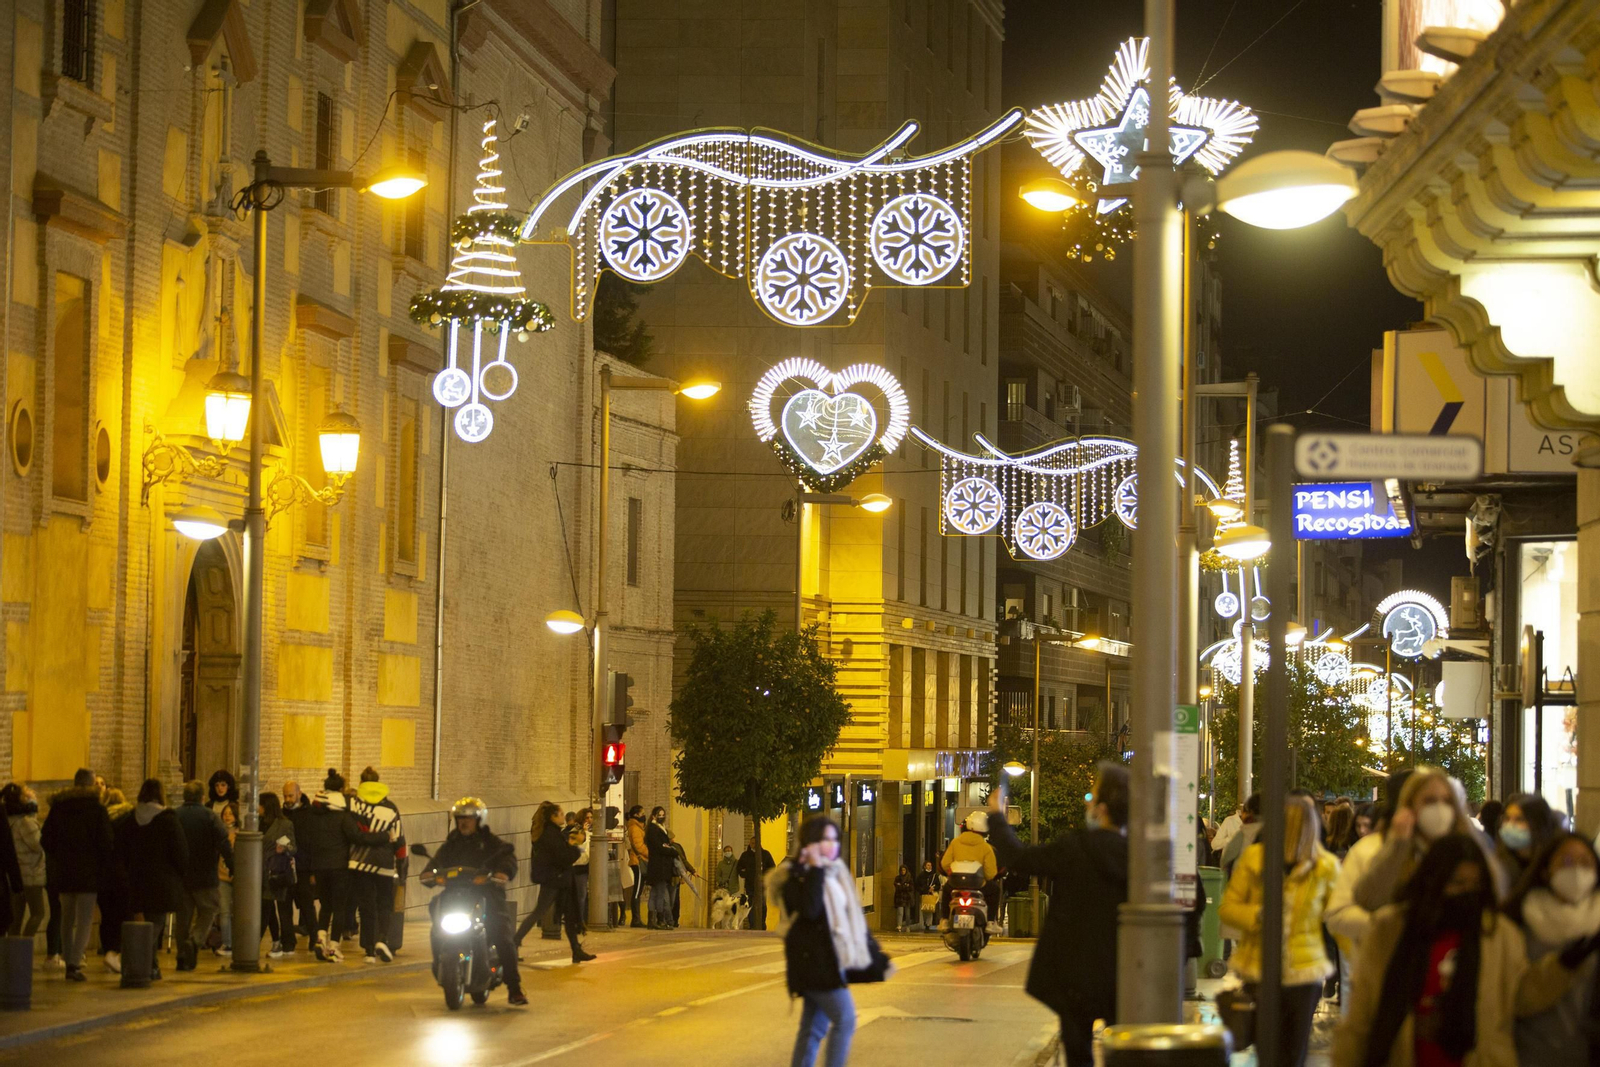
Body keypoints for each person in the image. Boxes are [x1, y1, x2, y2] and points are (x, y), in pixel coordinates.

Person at [1332, 833, 1593, 1067]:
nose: (1466, 894)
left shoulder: (1498, 934)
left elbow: (1520, 996)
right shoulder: (1391, 930)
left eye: (1474, 884)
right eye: (1457, 883)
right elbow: (1361, 1015)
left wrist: (1561, 966)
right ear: (1433, 881)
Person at [988, 762, 1128, 1067]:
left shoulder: (1076, 847)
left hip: (1074, 971)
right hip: (1123, 971)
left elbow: (1020, 857)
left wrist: (998, 817)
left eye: (1091, 798)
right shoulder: (1138, 856)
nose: (1086, 803)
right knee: (1124, 1047)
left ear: (1102, 809)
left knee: (1077, 1050)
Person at [1219, 795, 1339, 1067]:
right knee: (1268, 1053)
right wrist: (1260, 915)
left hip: (1304, 974)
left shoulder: (1325, 866)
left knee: (1294, 1053)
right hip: (1260, 971)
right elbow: (1228, 908)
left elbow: (1338, 916)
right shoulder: (1254, 858)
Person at [773, 815, 884, 1067]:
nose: (832, 845)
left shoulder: (832, 873)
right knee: (845, 1020)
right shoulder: (797, 876)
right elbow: (810, 909)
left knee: (812, 1029)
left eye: (835, 839)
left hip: (830, 961)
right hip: (815, 963)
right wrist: (815, 868)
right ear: (810, 843)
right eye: (826, 839)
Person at [1502, 832, 1600, 1066]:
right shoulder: (1519, 923)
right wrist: (1564, 964)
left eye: (1586, 862)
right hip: (1532, 1054)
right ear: (1545, 870)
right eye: (1566, 862)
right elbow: (1514, 998)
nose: (1576, 870)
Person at [1353, 767, 1501, 916]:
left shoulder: (1469, 848)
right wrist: (1398, 845)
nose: (1439, 808)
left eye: (1447, 801)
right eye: (1430, 801)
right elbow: (1368, 899)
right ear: (1410, 807)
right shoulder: (1396, 848)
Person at [421, 797, 526, 1005]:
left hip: (485, 895)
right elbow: (435, 864)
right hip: (455, 896)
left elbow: (507, 858)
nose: (464, 823)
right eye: (460, 818)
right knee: (435, 914)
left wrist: (503, 872)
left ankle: (514, 988)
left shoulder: (492, 843)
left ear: (478, 820)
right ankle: (440, 962)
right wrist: (429, 875)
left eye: (468, 819)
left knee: (502, 935)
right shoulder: (451, 845)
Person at [301, 769, 391, 962]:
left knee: (326, 906)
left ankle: (320, 937)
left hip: (318, 865)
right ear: (341, 790)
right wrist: (382, 836)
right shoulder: (344, 816)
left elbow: (308, 838)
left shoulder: (314, 814)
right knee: (340, 907)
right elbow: (357, 836)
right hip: (339, 866)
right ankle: (333, 946)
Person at [41, 768, 116, 982]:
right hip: (88, 873)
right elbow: (106, 841)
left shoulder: (59, 806)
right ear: (91, 784)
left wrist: (60, 856)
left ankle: (66, 957)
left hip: (63, 872)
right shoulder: (97, 809)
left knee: (66, 916)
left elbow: (45, 838)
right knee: (84, 919)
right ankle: (74, 963)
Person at [115, 778, 187, 981]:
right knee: (155, 925)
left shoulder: (130, 819)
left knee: (139, 922)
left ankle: (151, 965)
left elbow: (119, 851)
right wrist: (179, 874)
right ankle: (141, 963)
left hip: (135, 881)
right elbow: (181, 853)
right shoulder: (168, 820)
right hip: (161, 883)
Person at [513, 800, 593, 962]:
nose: (564, 816)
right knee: (539, 912)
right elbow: (562, 857)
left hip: (560, 880)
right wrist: (576, 848)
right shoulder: (550, 834)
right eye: (561, 814)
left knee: (569, 916)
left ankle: (576, 950)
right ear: (553, 817)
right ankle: (512, 944)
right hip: (555, 880)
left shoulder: (552, 832)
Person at [347, 766, 405, 964]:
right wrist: (402, 866)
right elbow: (399, 840)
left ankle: (369, 950)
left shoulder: (353, 805)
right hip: (384, 864)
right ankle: (382, 938)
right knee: (384, 904)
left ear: (362, 783)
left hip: (360, 863)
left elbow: (352, 831)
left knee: (366, 906)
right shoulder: (391, 808)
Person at [173, 779, 233, 970]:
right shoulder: (210, 816)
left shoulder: (174, 816)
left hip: (181, 875)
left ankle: (182, 955)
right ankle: (195, 940)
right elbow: (224, 842)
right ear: (202, 797)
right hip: (205, 875)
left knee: (183, 916)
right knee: (208, 910)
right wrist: (232, 866)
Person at [3, 782, 47, 938]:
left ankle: (12, 955)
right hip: (31, 874)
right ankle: (23, 948)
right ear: (22, 799)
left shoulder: (9, 820)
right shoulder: (26, 822)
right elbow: (39, 845)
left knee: (16, 918)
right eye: (29, 792)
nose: (33, 794)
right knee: (38, 913)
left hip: (16, 876)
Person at [257, 791, 298, 957]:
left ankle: (254, 944)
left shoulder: (284, 824)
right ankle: (276, 941)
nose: (257, 808)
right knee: (266, 907)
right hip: (258, 872)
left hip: (274, 871)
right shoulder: (256, 822)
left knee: (266, 907)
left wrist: (284, 848)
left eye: (259, 805)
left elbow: (293, 847)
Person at [940, 811, 998, 924]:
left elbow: (945, 863)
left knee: (946, 891)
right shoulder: (985, 847)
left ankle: (945, 920)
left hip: (955, 884)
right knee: (995, 890)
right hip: (979, 886)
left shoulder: (956, 842)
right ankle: (991, 922)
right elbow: (991, 873)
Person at [97, 787, 132, 973]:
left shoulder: (100, 820)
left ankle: (108, 950)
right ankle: (115, 953)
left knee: (107, 916)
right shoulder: (128, 819)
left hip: (102, 876)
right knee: (123, 915)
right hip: (122, 875)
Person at [1496, 792, 1560, 887]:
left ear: (1538, 824)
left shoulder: (1555, 864)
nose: (1510, 825)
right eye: (1507, 818)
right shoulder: (1499, 865)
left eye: (1519, 819)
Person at [281, 781, 316, 942]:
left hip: (303, 866)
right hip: (284, 867)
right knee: (284, 904)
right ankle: (288, 941)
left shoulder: (309, 814)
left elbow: (313, 843)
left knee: (307, 905)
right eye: (285, 796)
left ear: (299, 794)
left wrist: (313, 870)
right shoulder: (282, 815)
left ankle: (315, 939)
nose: (287, 799)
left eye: (290, 795)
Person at [645, 806, 675, 929]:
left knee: (654, 893)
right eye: (659, 814)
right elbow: (660, 847)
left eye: (663, 814)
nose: (662, 817)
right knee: (660, 894)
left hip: (657, 866)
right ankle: (659, 920)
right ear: (654, 816)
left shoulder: (656, 829)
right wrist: (672, 851)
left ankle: (652, 921)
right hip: (659, 866)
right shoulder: (654, 829)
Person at [1220, 793, 1263, 880]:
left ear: (1249, 812)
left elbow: (1226, 860)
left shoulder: (1244, 833)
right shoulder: (1279, 832)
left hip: (1243, 883)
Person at [738, 836, 776, 930]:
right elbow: (739, 868)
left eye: (755, 843)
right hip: (750, 885)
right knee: (750, 906)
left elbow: (772, 867)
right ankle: (752, 925)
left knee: (762, 904)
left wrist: (765, 877)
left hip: (762, 885)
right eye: (752, 843)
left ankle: (762, 925)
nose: (753, 845)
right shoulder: (745, 855)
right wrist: (745, 874)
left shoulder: (765, 854)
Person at [625, 804, 649, 928]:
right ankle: (635, 919)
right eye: (642, 813)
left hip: (640, 860)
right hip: (638, 861)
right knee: (637, 891)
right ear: (636, 815)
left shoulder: (639, 827)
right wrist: (650, 853)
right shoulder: (634, 828)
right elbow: (639, 846)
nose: (644, 815)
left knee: (638, 891)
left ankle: (637, 918)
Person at [570, 808, 594, 933]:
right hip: (578, 868)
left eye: (591, 817)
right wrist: (585, 834)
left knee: (584, 896)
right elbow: (578, 852)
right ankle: (578, 922)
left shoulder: (591, 832)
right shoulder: (576, 831)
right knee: (580, 896)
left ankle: (583, 921)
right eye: (587, 818)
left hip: (587, 868)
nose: (590, 820)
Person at [668, 829, 695, 926]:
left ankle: (671, 920)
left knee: (671, 899)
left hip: (673, 876)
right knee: (674, 899)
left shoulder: (673, 847)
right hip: (676, 876)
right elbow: (684, 860)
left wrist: (691, 871)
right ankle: (674, 920)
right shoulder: (677, 846)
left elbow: (682, 860)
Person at [916, 860, 942, 931]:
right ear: (924, 866)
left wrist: (933, 888)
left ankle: (928, 924)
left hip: (931, 895)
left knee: (930, 909)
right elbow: (917, 885)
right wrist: (925, 889)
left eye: (930, 865)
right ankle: (925, 922)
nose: (929, 866)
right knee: (924, 909)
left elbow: (938, 885)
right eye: (928, 865)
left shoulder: (934, 875)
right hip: (923, 894)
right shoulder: (921, 875)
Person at [893, 865, 916, 933]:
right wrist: (905, 886)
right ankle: (899, 925)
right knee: (900, 912)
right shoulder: (897, 878)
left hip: (907, 898)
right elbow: (897, 886)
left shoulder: (909, 878)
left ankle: (907, 926)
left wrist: (902, 886)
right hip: (900, 897)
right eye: (902, 870)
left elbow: (911, 888)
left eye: (904, 870)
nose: (903, 871)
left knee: (907, 913)